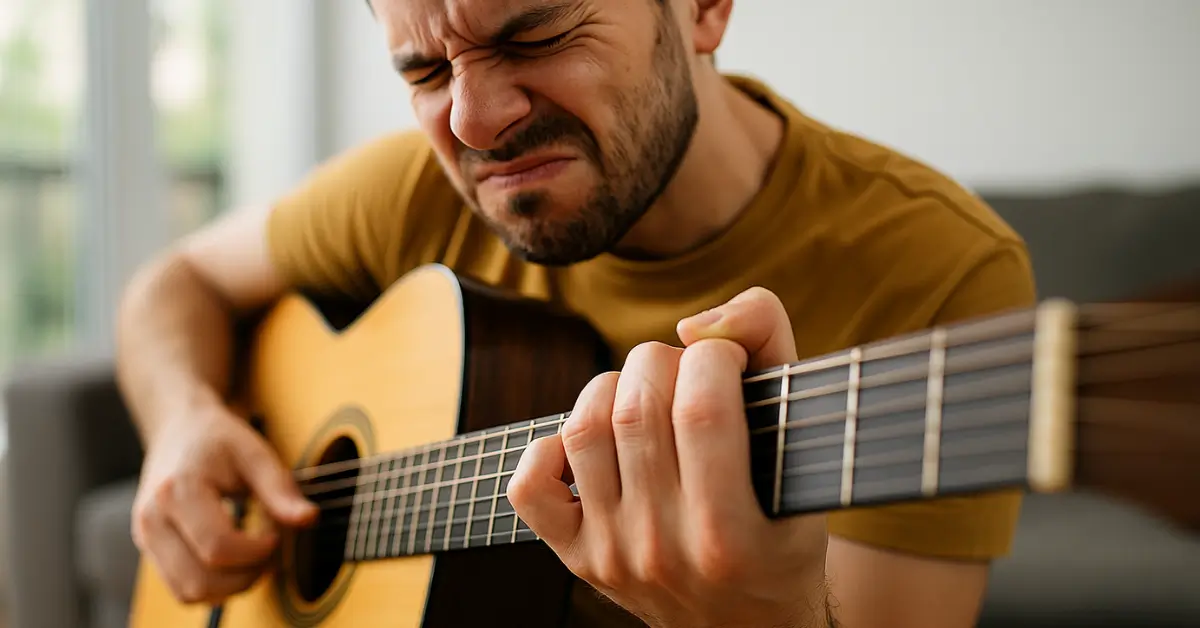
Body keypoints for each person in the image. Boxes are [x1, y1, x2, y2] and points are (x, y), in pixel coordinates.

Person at [117, 1, 1036, 626]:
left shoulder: (936, 271)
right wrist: (182, 421)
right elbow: (174, 283)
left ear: (705, 7)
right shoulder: (408, 198)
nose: (473, 123)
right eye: (427, 71)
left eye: (537, 34)